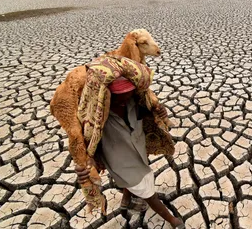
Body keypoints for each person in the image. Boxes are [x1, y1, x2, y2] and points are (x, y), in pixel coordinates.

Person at [75, 77, 185, 229]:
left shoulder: (135, 102)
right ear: (106, 95)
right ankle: (172, 220)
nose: (125, 98)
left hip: (139, 151)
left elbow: (152, 114)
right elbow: (85, 143)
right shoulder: (97, 118)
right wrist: (88, 162)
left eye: (128, 93)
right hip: (121, 162)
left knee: (134, 183)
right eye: (120, 95)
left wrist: (161, 111)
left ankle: (126, 200)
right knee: (149, 193)